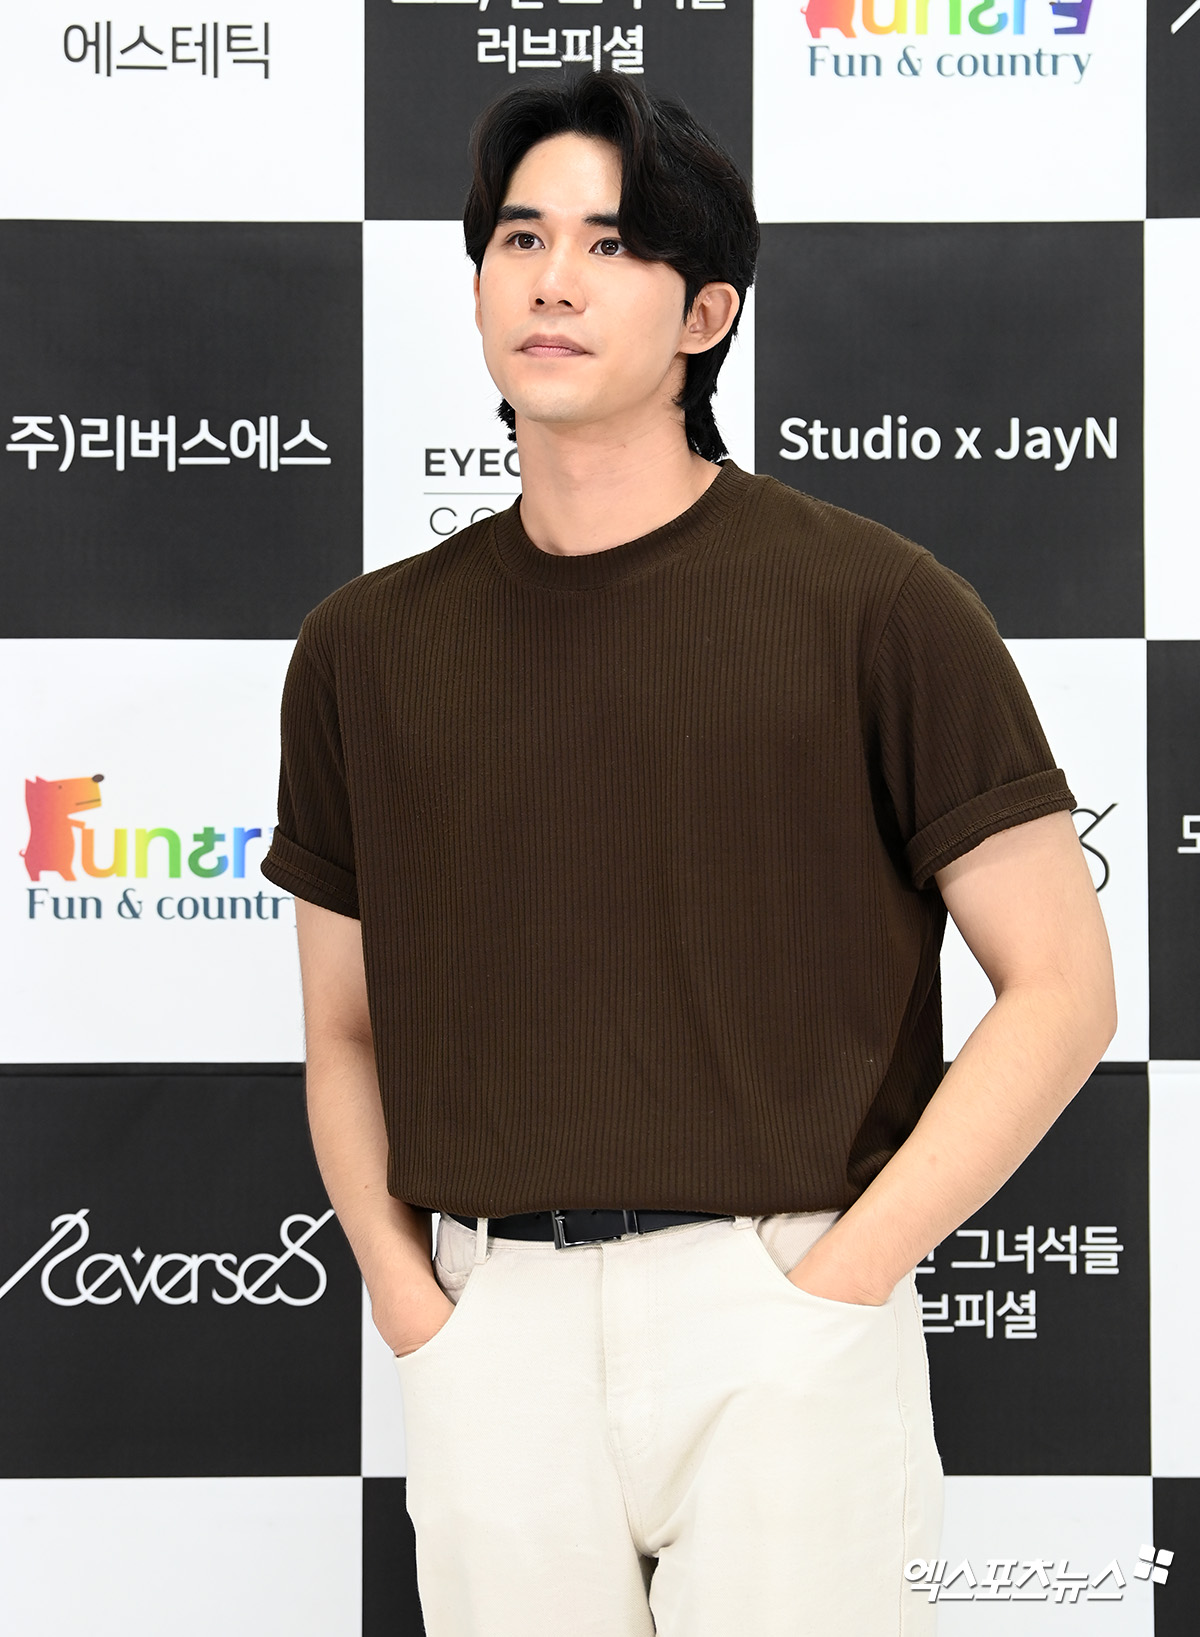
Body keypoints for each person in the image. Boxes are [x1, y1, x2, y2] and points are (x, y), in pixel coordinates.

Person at [260, 70, 1117, 1637]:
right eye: (521, 238)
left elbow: (1062, 986)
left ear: (706, 312)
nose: (554, 279)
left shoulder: (878, 605)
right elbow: (342, 1028)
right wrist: (414, 1303)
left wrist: (842, 1278)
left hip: (785, 1308)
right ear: (478, 282)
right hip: (492, 1327)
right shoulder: (362, 650)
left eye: (611, 243)